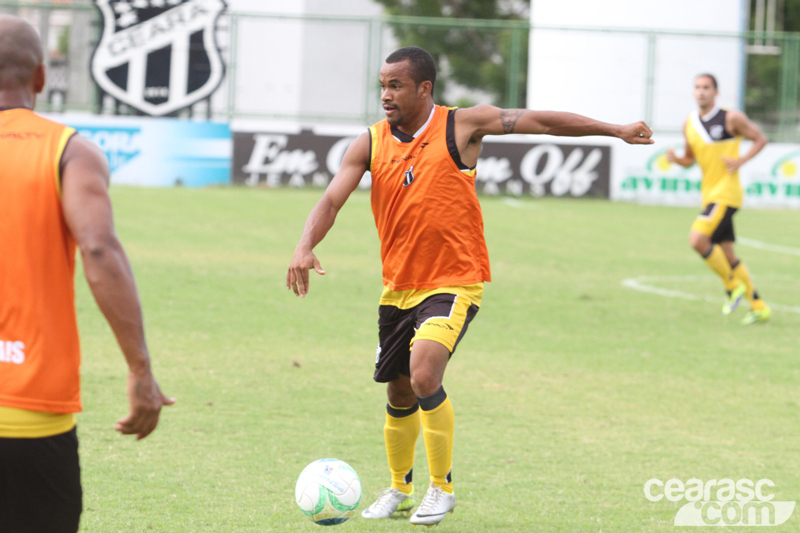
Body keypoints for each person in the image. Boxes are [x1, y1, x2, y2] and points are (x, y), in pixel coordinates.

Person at [286, 46, 652, 527]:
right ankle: (399, 486)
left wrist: (615, 130)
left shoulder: (463, 126)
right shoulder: (371, 142)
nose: (385, 95)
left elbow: (541, 122)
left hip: (454, 281)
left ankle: (442, 489)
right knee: (398, 394)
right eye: (382, 85)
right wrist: (304, 245)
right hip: (398, 288)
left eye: (395, 85)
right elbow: (332, 200)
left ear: (424, 88)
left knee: (423, 376)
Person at [0, 15, 174, 533]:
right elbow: (99, 250)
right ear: (40, 77)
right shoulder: (69, 151)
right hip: (31, 417)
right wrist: (140, 370)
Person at [666, 73, 770, 325]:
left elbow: (760, 138)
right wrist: (677, 160)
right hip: (709, 194)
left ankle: (731, 285)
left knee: (697, 239)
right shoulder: (689, 124)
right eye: (697, 87)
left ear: (716, 92)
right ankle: (758, 306)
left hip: (727, 193)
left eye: (706, 87)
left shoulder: (731, 118)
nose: (701, 92)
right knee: (728, 254)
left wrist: (741, 161)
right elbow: (690, 159)